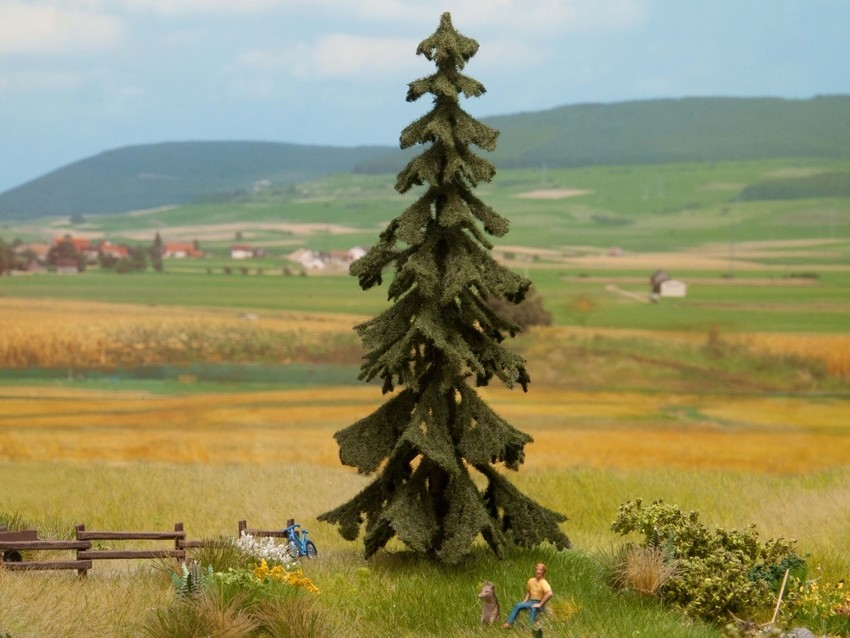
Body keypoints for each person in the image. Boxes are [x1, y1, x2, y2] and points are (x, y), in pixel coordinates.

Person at [502, 562, 553, 628]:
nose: (538, 571)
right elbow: (528, 592)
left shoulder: (544, 583)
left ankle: (529, 627)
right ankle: (509, 623)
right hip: (531, 601)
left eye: (540, 570)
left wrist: (540, 604)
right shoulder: (531, 580)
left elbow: (550, 593)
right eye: (537, 569)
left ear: (543, 572)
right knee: (518, 605)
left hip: (539, 603)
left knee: (534, 608)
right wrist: (525, 601)